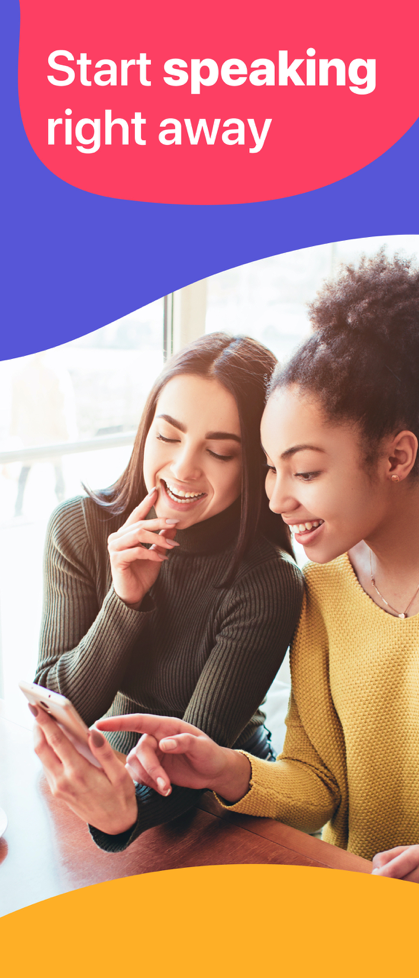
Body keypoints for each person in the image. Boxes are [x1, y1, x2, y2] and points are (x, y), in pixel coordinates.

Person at [52, 251, 419, 895]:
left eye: (305, 472)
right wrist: (226, 768)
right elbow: (317, 783)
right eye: (271, 468)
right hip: (362, 895)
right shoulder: (327, 582)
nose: (276, 499)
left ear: (396, 457)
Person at [32, 332, 304, 850]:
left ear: (255, 465)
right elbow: (56, 710)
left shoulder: (269, 582)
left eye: (219, 451)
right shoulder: (78, 528)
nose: (183, 468)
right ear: (146, 430)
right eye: (168, 435)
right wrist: (124, 601)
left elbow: (195, 755)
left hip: (222, 810)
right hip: (108, 778)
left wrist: (125, 812)